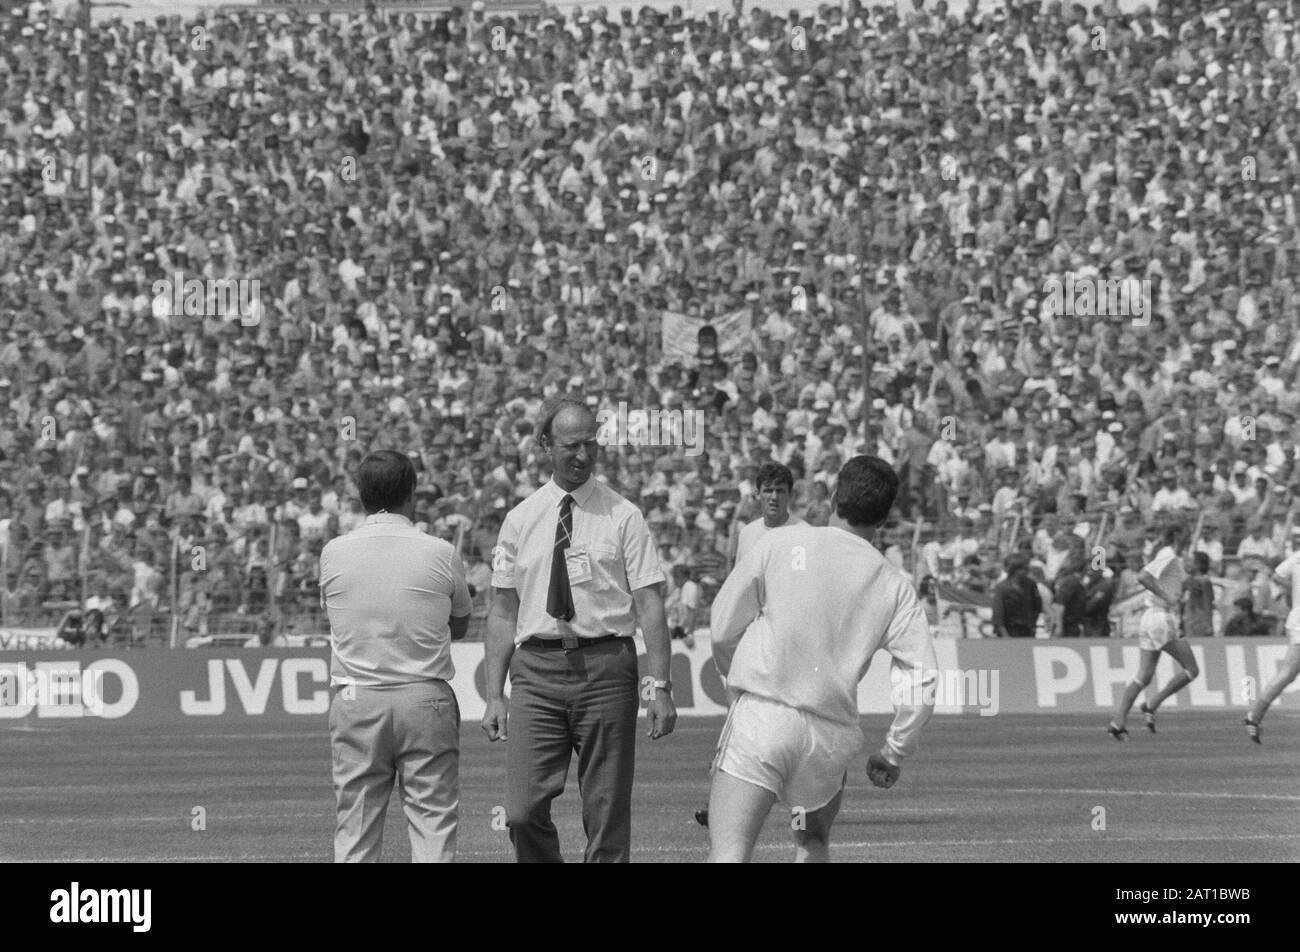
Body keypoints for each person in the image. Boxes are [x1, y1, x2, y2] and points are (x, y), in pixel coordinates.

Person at [707, 456, 937, 862]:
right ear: (883, 518)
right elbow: (923, 676)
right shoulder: (893, 584)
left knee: (730, 852)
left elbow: (723, 627)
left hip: (764, 715)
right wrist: (894, 751)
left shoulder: (779, 543)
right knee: (811, 841)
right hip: (829, 735)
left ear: (833, 497)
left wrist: (733, 677)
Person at [482, 397, 676, 863]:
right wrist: (493, 695)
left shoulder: (623, 516)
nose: (583, 455)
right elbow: (503, 612)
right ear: (546, 445)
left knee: (607, 811)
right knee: (522, 811)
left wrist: (661, 686)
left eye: (591, 443)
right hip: (536, 671)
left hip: (607, 668)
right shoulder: (520, 520)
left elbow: (650, 605)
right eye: (572, 445)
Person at [319, 450, 472, 863]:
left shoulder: (334, 551)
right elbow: (460, 624)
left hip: (358, 697)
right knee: (432, 821)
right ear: (412, 493)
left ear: (361, 495)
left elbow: (337, 616)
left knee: (356, 825)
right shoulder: (440, 551)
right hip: (424, 696)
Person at [1109, 525, 1199, 739]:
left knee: (1144, 675)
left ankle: (1118, 722)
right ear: (1176, 535)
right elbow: (1143, 576)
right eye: (1186, 533)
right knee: (1191, 669)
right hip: (1161, 618)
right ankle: (1152, 703)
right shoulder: (1168, 553)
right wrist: (1167, 597)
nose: (1189, 537)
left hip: (1149, 618)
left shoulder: (1169, 556)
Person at [1244, 551, 1300, 743]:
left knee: (1287, 674)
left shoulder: (1298, 556)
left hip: (1296, 620)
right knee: (1287, 674)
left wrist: (1293, 589)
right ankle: (1254, 716)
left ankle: (1255, 716)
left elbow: (1277, 575)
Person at [732, 462, 806, 564]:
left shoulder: (803, 533)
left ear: (790, 494)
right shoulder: (747, 533)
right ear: (758, 493)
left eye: (780, 491)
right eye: (768, 491)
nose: (774, 497)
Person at [990, 552, 1041, 638]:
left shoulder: (1030, 584)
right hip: (1010, 631)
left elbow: (1037, 606)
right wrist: (1005, 636)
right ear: (1014, 570)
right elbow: (998, 615)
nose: (1026, 570)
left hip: (1027, 631)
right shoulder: (1002, 588)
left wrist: (1033, 626)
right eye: (1023, 568)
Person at [664, 563, 700, 649]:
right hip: (677, 628)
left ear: (684, 576)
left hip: (684, 630)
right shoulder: (678, 590)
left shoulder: (689, 586)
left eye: (676, 577)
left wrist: (689, 633)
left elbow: (692, 611)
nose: (674, 580)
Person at [1181, 551, 1215, 638]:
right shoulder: (1188, 580)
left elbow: (1208, 603)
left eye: (1190, 561)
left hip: (1200, 622)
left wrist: (1208, 624)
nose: (1187, 564)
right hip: (1189, 620)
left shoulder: (1204, 581)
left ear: (1198, 564)